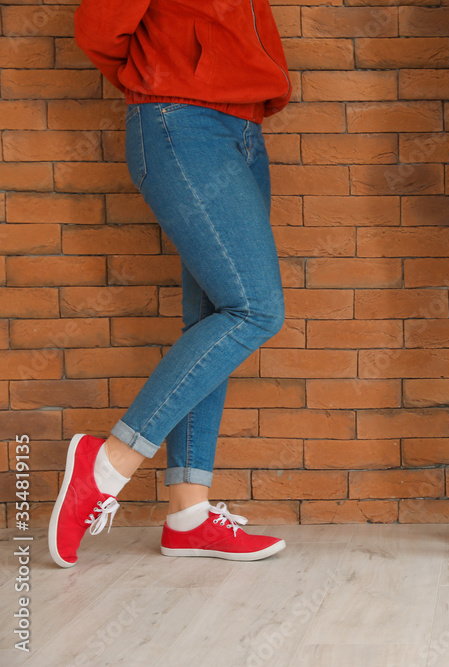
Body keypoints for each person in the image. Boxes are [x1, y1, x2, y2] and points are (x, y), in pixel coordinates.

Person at [50, 0, 292, 567]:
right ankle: (107, 462)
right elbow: (98, 26)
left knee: (214, 319)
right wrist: (166, 75)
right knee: (254, 310)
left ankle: (188, 516)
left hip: (243, 128)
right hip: (182, 122)